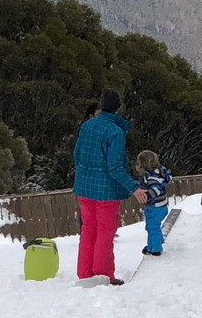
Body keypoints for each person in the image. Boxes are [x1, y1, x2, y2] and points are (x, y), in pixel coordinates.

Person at [72, 88, 147, 285]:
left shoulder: (87, 126)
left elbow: (76, 155)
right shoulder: (115, 132)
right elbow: (115, 168)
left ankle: (85, 273)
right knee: (105, 232)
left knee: (88, 229)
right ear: (118, 108)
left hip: (83, 187)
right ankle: (103, 275)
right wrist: (134, 188)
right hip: (105, 191)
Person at [137, 149, 171, 256]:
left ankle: (154, 248)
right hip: (162, 205)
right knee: (155, 225)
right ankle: (158, 241)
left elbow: (155, 189)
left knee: (152, 227)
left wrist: (145, 196)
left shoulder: (150, 176)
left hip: (154, 207)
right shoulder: (161, 172)